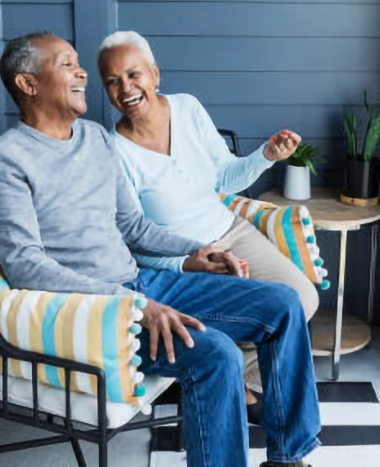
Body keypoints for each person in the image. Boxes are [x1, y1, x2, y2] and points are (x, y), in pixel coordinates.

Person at [0, 31, 320, 467]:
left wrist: (199, 250)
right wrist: (134, 305)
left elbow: (133, 226)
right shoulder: (3, 162)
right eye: (66, 63)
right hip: (98, 312)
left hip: (141, 285)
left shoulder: (95, 139)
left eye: (79, 63)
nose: (82, 72)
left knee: (284, 303)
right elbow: (26, 268)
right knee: (217, 356)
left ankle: (289, 459)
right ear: (28, 84)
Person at [96, 31, 320, 417]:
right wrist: (187, 261)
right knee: (235, 331)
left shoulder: (187, 108)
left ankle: (244, 379)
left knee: (303, 299)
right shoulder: (112, 150)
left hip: (230, 230)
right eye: (113, 81)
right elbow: (132, 240)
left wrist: (265, 156)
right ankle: (236, 385)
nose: (126, 88)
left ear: (155, 73)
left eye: (134, 75)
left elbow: (224, 180)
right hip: (179, 261)